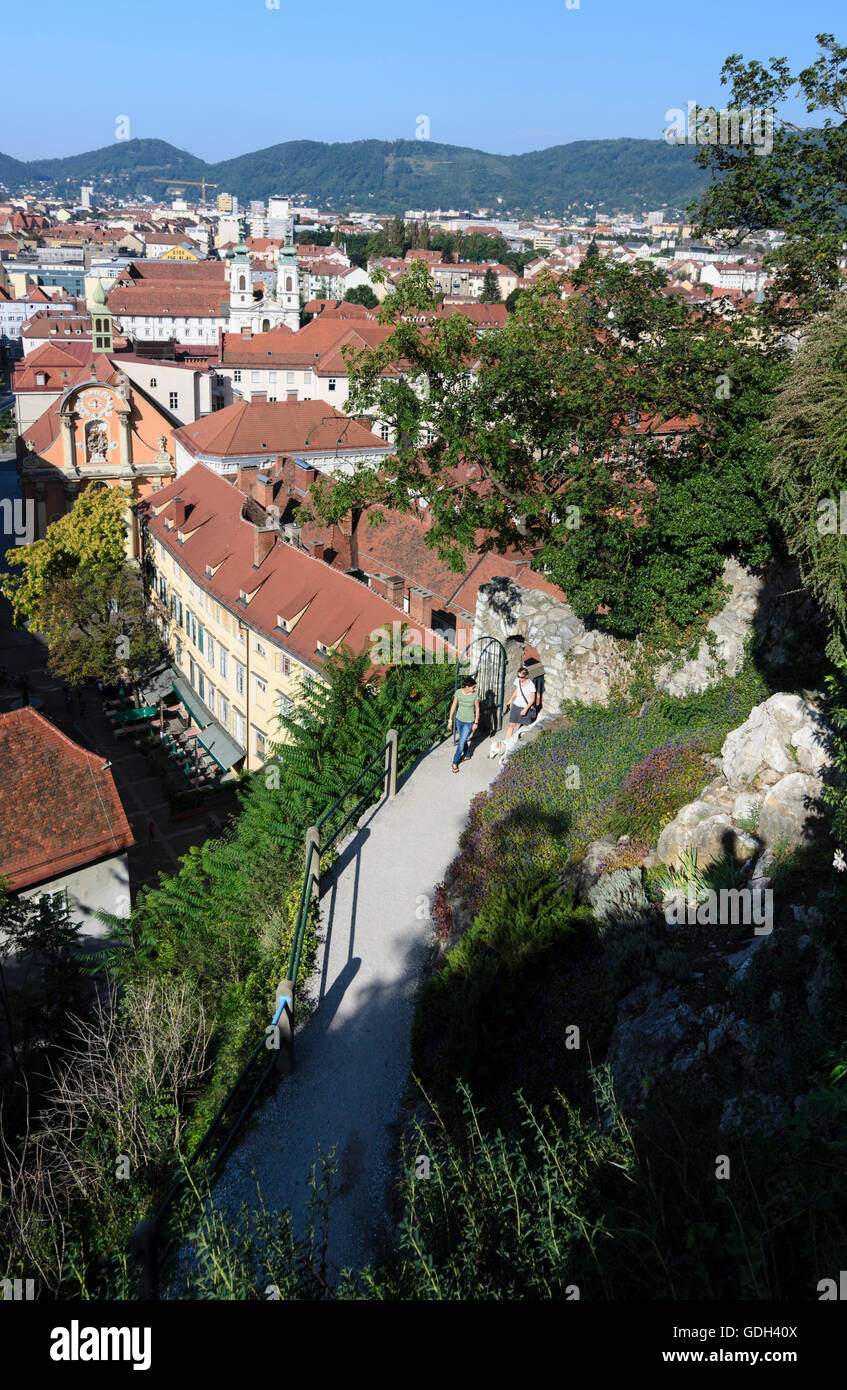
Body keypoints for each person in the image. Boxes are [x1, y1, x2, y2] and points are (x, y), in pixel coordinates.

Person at [447, 676, 480, 773]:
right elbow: (453, 705)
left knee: (461, 742)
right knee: (463, 738)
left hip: (469, 722)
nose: (474, 689)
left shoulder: (474, 695)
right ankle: (468, 755)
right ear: (467, 687)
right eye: (473, 687)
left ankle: (454, 762)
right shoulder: (458, 692)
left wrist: (476, 722)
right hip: (459, 720)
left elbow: (477, 709)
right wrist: (450, 720)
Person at [505, 666, 539, 745]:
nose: (520, 678)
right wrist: (511, 699)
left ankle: (521, 744)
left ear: (526, 676)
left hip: (525, 707)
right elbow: (517, 690)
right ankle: (506, 744)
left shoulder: (531, 685)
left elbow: (533, 699)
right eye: (518, 676)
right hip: (516, 705)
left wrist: (526, 709)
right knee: (511, 725)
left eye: (522, 677)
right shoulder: (517, 680)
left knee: (524, 727)